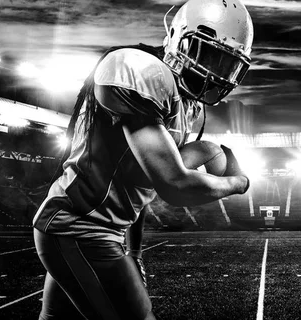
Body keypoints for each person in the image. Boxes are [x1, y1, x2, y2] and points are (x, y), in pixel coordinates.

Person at [32, 0, 253, 319]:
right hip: (79, 228)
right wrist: (237, 182)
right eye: (209, 55)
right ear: (179, 36)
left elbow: (141, 185)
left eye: (226, 64)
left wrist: (133, 251)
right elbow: (173, 184)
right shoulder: (139, 69)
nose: (215, 72)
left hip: (89, 230)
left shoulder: (182, 103)